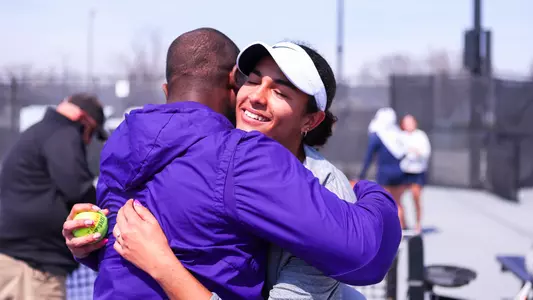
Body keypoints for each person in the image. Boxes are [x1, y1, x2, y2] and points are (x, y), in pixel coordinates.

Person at [63, 28, 402, 300]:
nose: (256, 95)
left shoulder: (325, 186)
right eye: (252, 80)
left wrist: (163, 266)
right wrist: (96, 244)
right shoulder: (227, 156)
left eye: (281, 92)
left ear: (311, 120)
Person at [0, 93, 107, 300]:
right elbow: (78, 190)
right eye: (92, 134)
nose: (87, 142)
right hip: (33, 269)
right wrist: (110, 208)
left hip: (16, 259)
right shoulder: (64, 134)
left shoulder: (41, 132)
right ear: (85, 120)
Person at [359, 107, 407, 228]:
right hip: (399, 173)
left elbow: (369, 156)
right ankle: (401, 230)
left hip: (384, 174)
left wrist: (362, 175)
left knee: (386, 204)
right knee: (398, 203)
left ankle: (389, 233)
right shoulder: (398, 134)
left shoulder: (377, 135)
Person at [399, 114, 431, 233]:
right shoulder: (400, 136)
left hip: (417, 172)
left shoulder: (421, 136)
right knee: (398, 197)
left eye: (411, 122)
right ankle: (403, 222)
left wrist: (415, 151)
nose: (409, 125)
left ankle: (418, 224)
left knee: (416, 197)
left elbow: (425, 152)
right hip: (403, 172)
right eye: (406, 122)